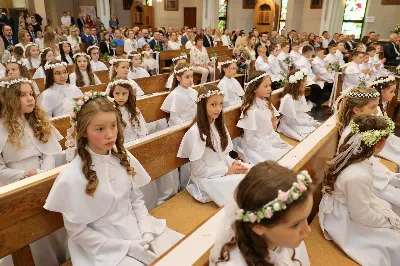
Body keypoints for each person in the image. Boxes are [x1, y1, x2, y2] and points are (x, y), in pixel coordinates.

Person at [44, 91, 183, 266]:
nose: (110, 134)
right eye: (100, 129)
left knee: (179, 254)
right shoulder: (72, 176)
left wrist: (146, 231)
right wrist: (129, 247)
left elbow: (135, 199)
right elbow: (78, 233)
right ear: (83, 131)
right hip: (102, 246)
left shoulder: (121, 157)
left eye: (113, 125)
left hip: (136, 226)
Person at [320, 114, 400, 266]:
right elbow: (360, 215)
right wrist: (388, 222)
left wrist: (385, 214)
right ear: (381, 143)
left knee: (390, 210)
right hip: (343, 220)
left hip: (350, 208)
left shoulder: (356, 157)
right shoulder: (358, 174)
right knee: (393, 243)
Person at [209, 161, 312, 266]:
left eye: (306, 218)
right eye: (295, 224)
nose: (307, 230)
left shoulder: (289, 240)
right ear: (258, 227)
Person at [177, 84, 250, 206]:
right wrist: (227, 171)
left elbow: (222, 154)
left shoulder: (217, 125)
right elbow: (198, 171)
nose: (218, 108)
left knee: (251, 171)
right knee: (246, 186)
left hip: (222, 171)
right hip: (208, 178)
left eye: (220, 104)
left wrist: (232, 163)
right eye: (213, 104)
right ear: (202, 105)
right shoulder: (195, 133)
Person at [237, 71, 292, 164]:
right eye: (265, 86)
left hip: (269, 141)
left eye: (270, 85)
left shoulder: (266, 103)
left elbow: (271, 129)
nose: (269, 89)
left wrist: (275, 140)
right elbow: (249, 139)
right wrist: (268, 144)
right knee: (284, 160)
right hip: (257, 147)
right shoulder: (250, 110)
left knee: (292, 152)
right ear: (255, 88)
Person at [277, 69, 320, 141]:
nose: (306, 83)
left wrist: (310, 120)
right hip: (291, 124)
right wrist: (308, 123)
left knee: (318, 130)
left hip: (299, 121)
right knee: (310, 137)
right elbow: (289, 120)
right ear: (297, 83)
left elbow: (302, 113)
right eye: (304, 81)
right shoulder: (288, 98)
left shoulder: (300, 94)